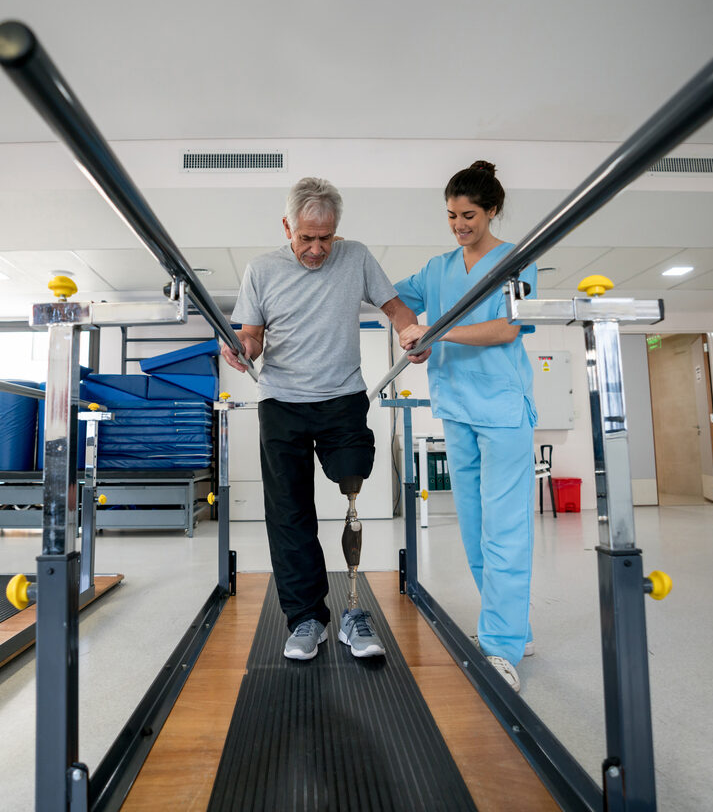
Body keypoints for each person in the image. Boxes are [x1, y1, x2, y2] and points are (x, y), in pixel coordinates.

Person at [221, 176, 425, 662]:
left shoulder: (355, 256)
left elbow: (394, 306)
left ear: (337, 230)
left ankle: (354, 611)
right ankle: (307, 618)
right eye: (306, 238)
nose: (317, 249)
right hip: (282, 402)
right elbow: (253, 336)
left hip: (342, 398)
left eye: (325, 238)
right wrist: (242, 349)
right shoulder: (261, 269)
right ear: (287, 226)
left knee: (354, 486)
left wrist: (409, 329)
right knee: (290, 515)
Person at [395, 160, 537, 692]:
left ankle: (500, 645)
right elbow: (393, 297)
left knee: (505, 530)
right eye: (452, 215)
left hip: (501, 412)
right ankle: (511, 629)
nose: (459, 224)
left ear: (492, 210)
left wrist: (437, 330)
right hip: (455, 409)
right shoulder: (436, 269)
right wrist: (409, 329)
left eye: (469, 214)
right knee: (476, 531)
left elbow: (506, 328)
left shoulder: (516, 260)